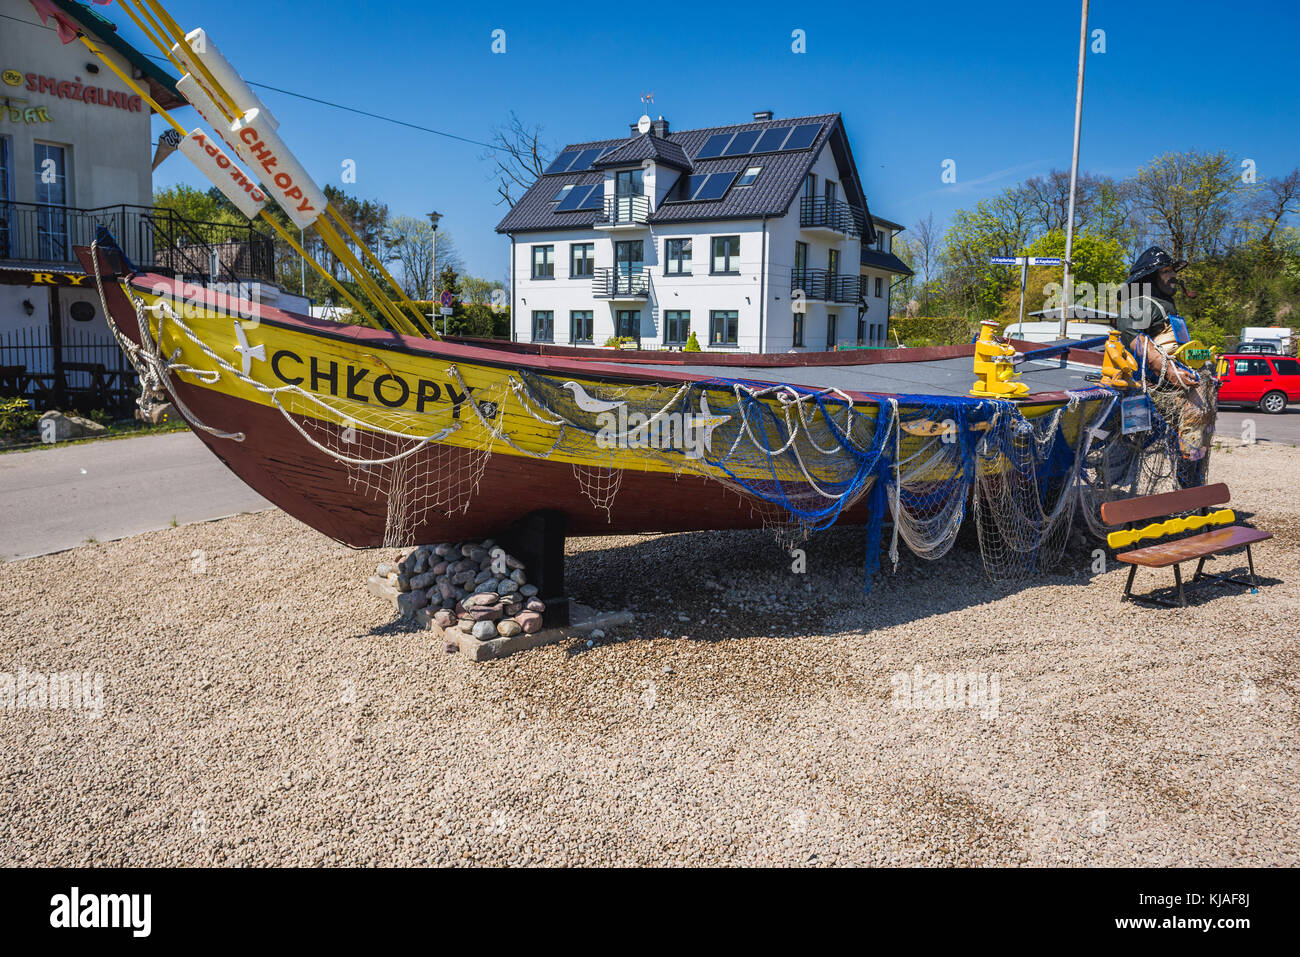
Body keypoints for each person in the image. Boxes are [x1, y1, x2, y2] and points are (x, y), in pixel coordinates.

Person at [1116, 246, 1200, 388]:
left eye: (1173, 270)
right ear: (1150, 277)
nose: (1173, 275)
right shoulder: (1139, 304)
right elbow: (1132, 337)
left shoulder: (1164, 306)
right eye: (1166, 271)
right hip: (1147, 388)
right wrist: (1168, 371)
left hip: (1172, 382)